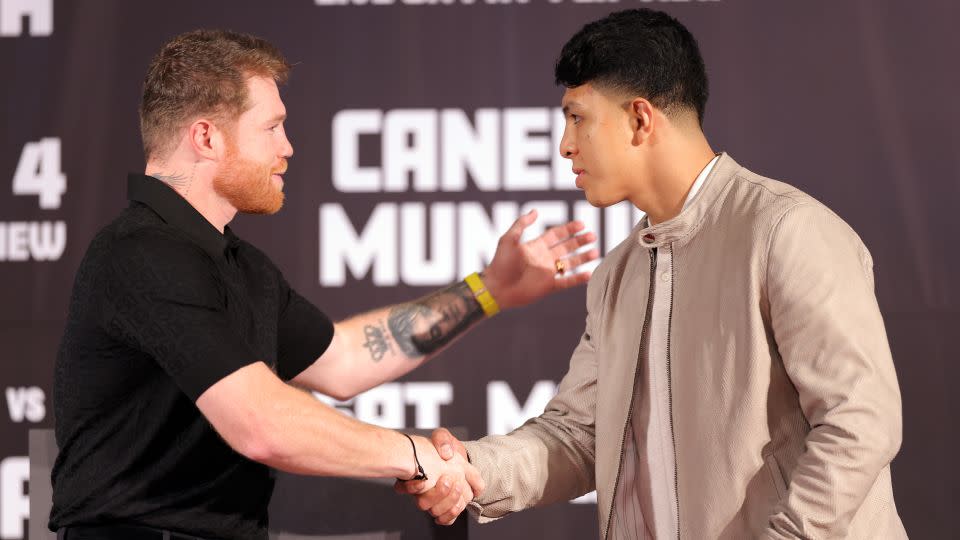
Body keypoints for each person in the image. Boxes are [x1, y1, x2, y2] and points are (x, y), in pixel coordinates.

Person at [50, 29, 598, 540]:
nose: (287, 147)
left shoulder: (238, 264)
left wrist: (490, 289)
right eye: (271, 128)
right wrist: (415, 454)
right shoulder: (142, 253)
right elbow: (261, 422)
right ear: (206, 137)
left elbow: (343, 360)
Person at [402, 8, 907, 539]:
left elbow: (859, 421)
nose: (564, 145)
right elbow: (580, 436)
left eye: (577, 117)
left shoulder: (786, 230)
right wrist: (471, 469)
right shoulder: (618, 274)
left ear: (641, 119)